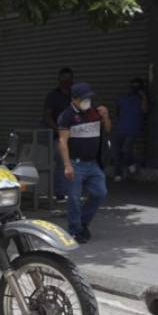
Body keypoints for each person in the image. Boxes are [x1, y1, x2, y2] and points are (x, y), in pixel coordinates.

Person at [57, 83, 111, 244]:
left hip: (93, 164)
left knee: (100, 193)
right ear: (74, 100)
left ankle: (82, 222)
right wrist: (67, 165)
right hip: (76, 164)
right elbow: (62, 141)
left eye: (89, 97)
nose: (87, 101)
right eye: (84, 98)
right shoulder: (66, 116)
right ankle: (75, 230)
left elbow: (107, 129)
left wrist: (106, 116)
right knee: (74, 198)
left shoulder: (94, 112)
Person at [43, 68, 74, 201]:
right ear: (59, 80)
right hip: (59, 136)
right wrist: (58, 130)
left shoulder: (74, 95)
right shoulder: (53, 96)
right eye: (63, 80)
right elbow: (47, 116)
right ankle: (60, 193)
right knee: (62, 163)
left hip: (75, 135)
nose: (66, 82)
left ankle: (72, 191)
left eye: (68, 79)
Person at [113, 78, 149, 182]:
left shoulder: (141, 99)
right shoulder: (124, 98)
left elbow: (145, 110)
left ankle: (131, 165)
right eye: (133, 86)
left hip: (133, 130)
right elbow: (118, 112)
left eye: (137, 86)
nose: (135, 89)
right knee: (116, 152)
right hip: (121, 128)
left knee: (126, 150)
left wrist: (143, 96)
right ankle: (118, 174)